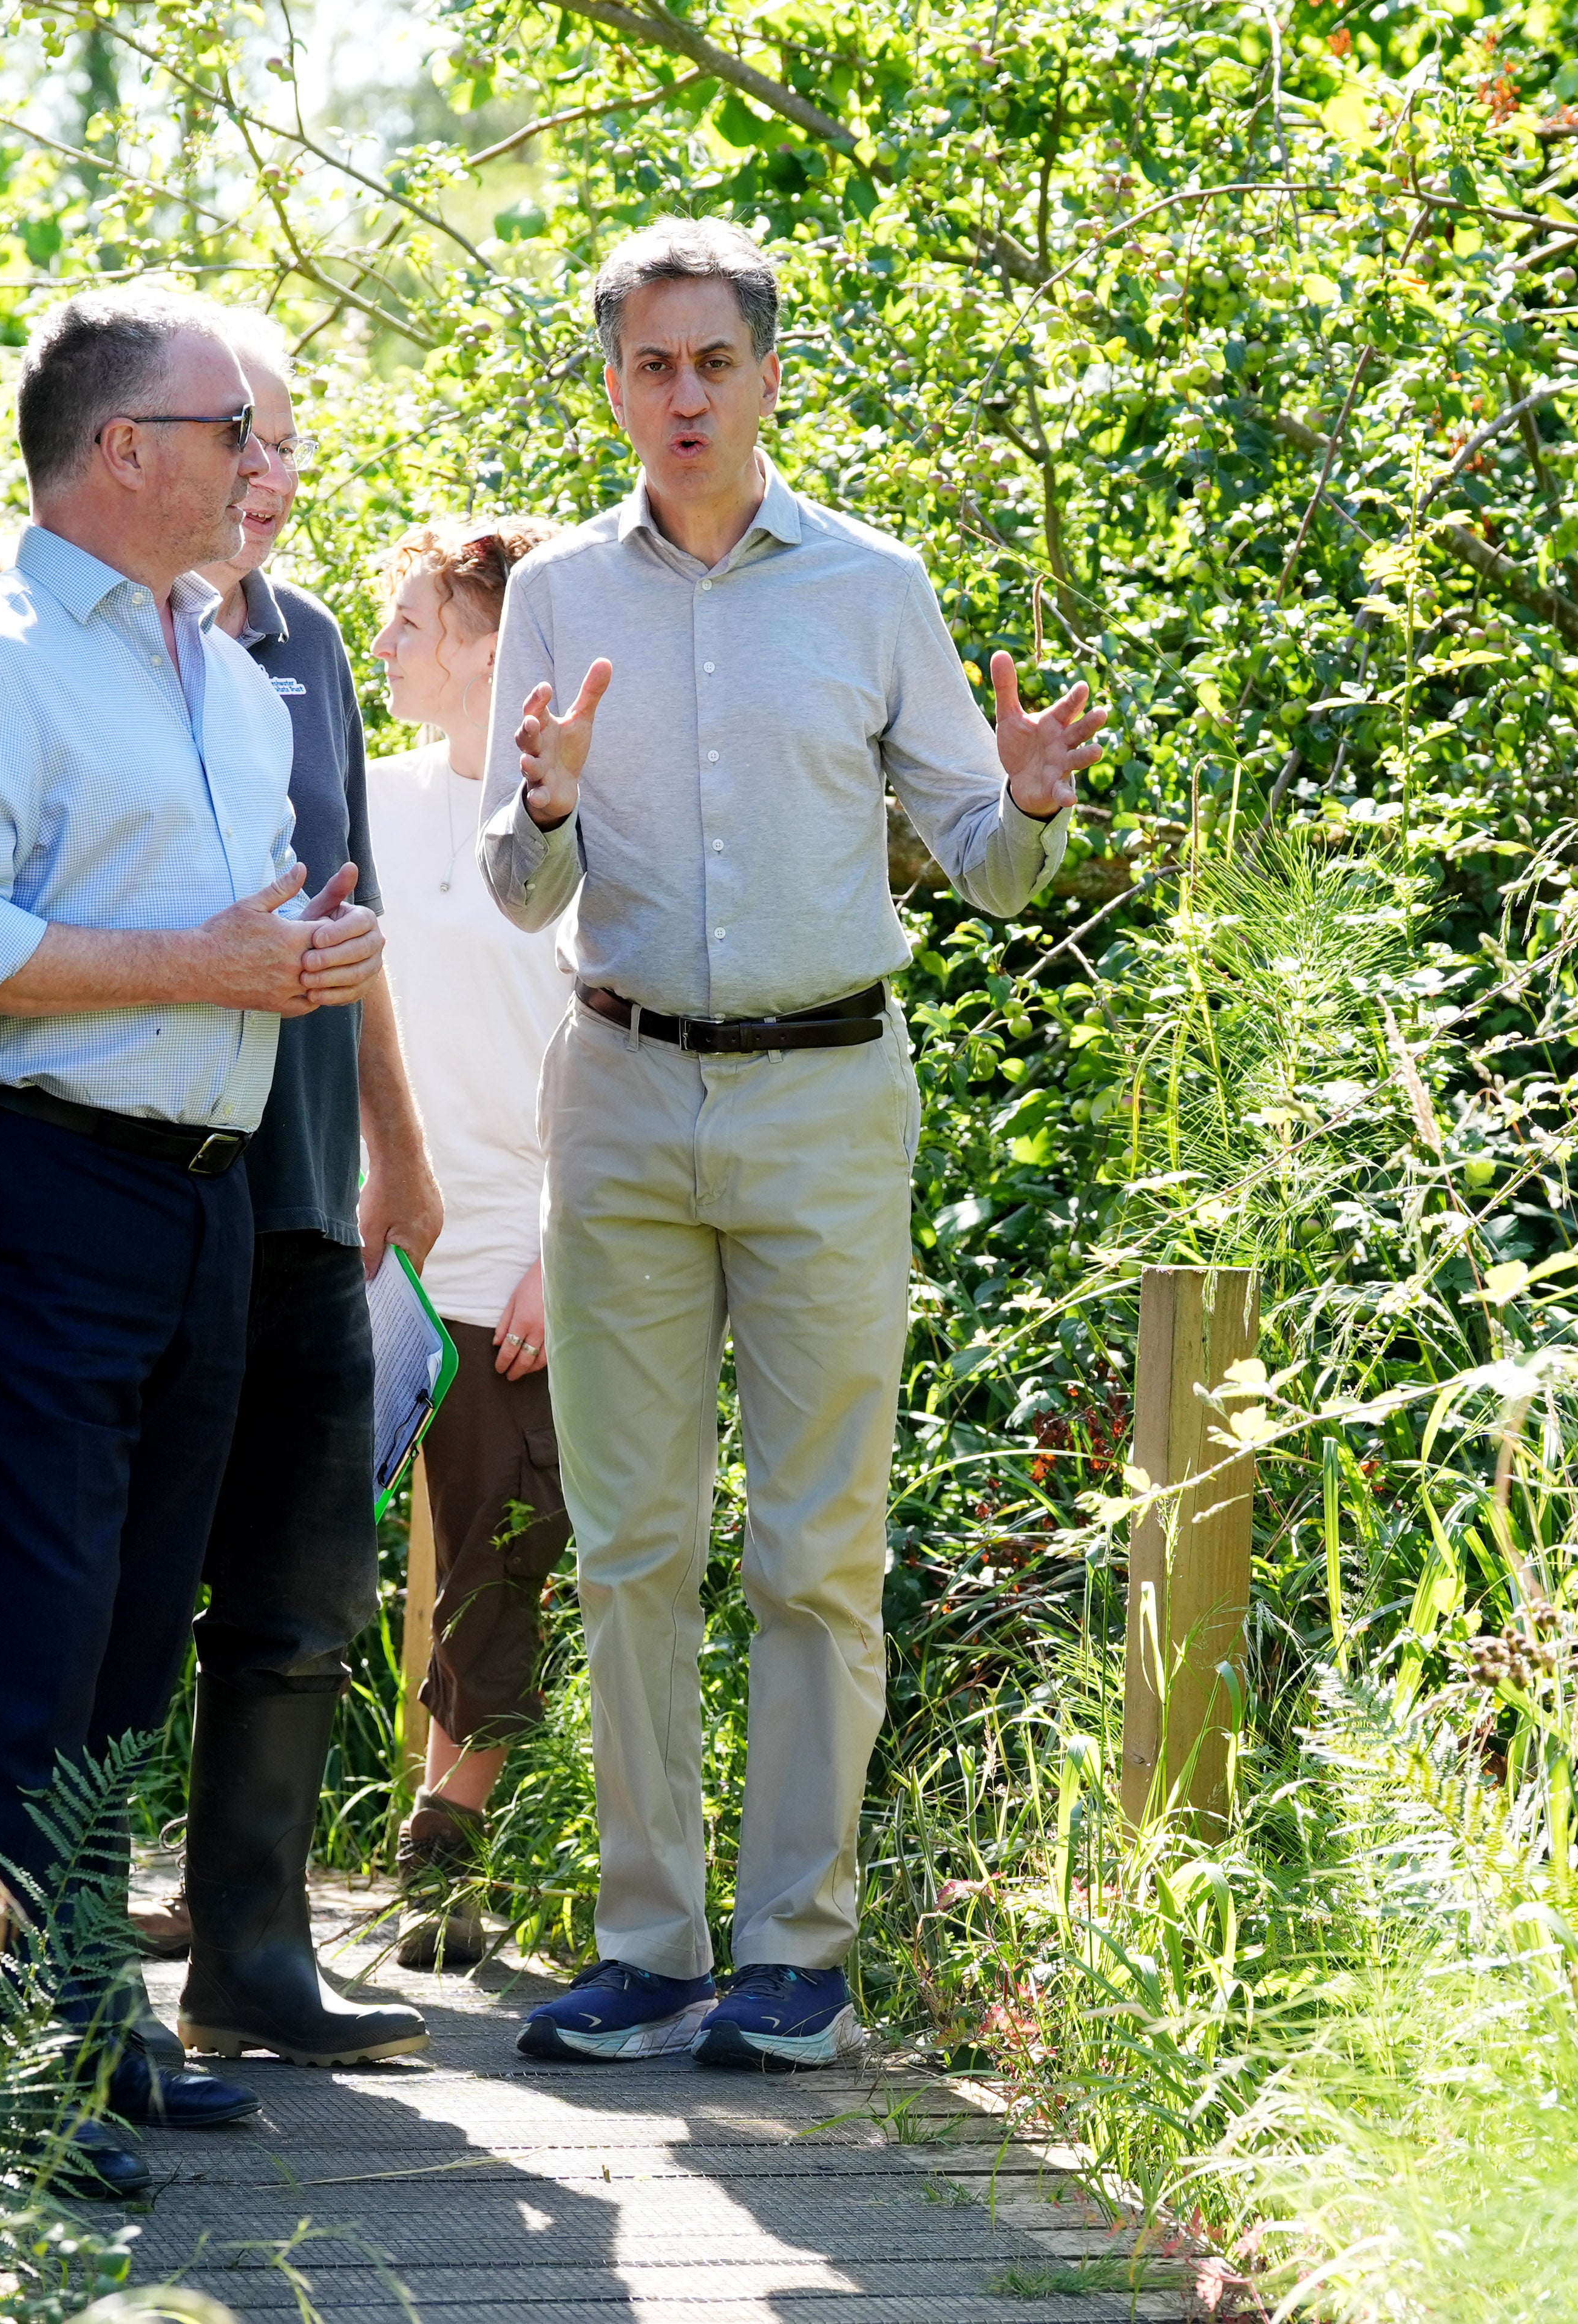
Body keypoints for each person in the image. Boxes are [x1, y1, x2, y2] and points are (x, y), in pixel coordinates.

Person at [481, 220, 1108, 2070]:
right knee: (628, 1540)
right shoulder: (553, 597)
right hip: (616, 1086)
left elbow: (991, 873)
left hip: (829, 1096)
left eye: (711, 363)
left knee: (816, 1543)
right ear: (611, 383)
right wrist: (543, 809)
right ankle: (653, 1942)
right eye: (647, 365)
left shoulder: (870, 586)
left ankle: (795, 1955)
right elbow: (516, 892)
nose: (681, 396)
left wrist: (1035, 798)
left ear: (765, 376)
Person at [0, 287, 383, 2195]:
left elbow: (241, 936)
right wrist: (206, 966)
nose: (262, 464)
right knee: (27, 1640)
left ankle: (82, 2017)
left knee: (127, 1647)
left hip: (202, 1204)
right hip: (30, 1186)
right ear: (122, 451)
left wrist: (302, 964)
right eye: (231, 429)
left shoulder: (234, 676)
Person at [152, 314, 442, 2067]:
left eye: (288, 446)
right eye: (242, 439)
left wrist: (395, 1140)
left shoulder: (314, 640)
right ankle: (4, 1959)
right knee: (110, 1585)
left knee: (305, 1575)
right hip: (136, 1182)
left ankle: (253, 1952)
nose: (273, 475)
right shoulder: (90, 635)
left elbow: (355, 919)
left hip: (304, 1192)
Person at [359, 515, 569, 1973]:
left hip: (518, 1249)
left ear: (493, 646)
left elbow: (615, 1047)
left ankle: (445, 1845)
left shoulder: (574, 824)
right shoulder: (363, 801)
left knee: (503, 1549)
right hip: (366, 1243)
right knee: (293, 1549)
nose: (382, 647)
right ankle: (240, 1879)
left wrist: (570, 1249)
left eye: (412, 624)